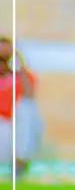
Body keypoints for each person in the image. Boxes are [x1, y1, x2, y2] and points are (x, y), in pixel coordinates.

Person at [0, 37, 43, 177]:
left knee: (26, 107)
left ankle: (20, 162)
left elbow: (29, 95)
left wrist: (19, 66)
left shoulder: (21, 78)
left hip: (14, 131)